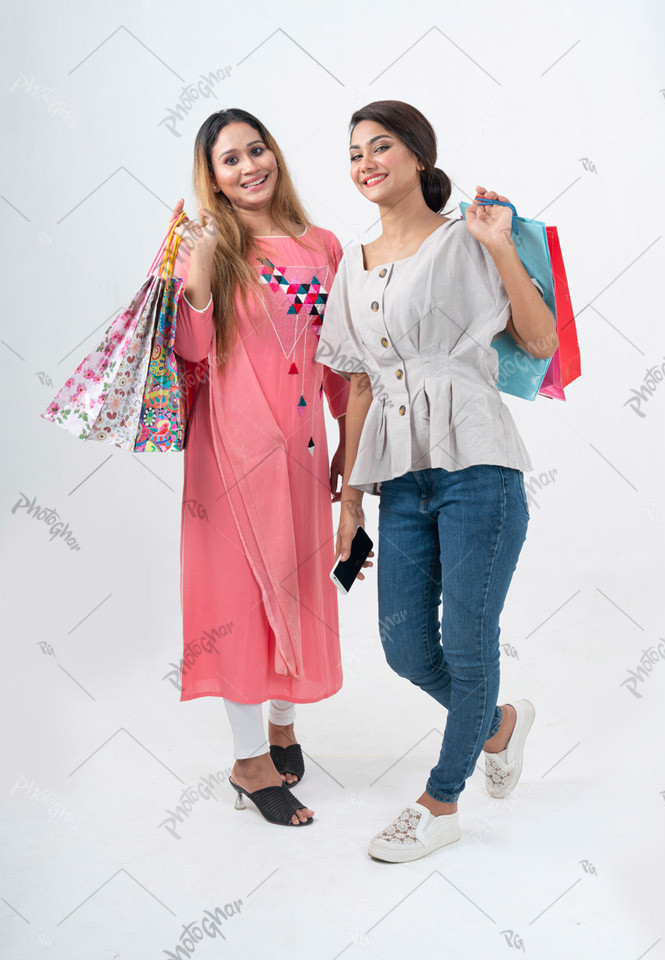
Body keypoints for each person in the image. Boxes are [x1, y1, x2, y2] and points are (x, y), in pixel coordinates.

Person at [315, 100, 557, 861]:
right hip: (400, 481)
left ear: (419, 155)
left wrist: (500, 245)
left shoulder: (467, 241)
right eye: (354, 152)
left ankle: (440, 801)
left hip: (479, 467)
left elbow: (540, 337)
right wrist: (349, 504)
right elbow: (356, 388)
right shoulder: (349, 269)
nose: (366, 163)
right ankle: (497, 725)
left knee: (467, 638)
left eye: (381, 146)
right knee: (406, 648)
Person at [172, 108, 370, 827]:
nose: (250, 165)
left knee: (295, 581)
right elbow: (191, 353)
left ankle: (283, 728)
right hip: (228, 453)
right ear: (214, 179)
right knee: (241, 599)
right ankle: (249, 760)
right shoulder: (210, 243)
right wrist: (194, 282)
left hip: (302, 447)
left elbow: (342, 358)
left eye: (257, 149)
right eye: (230, 160)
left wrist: (354, 443)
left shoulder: (323, 246)